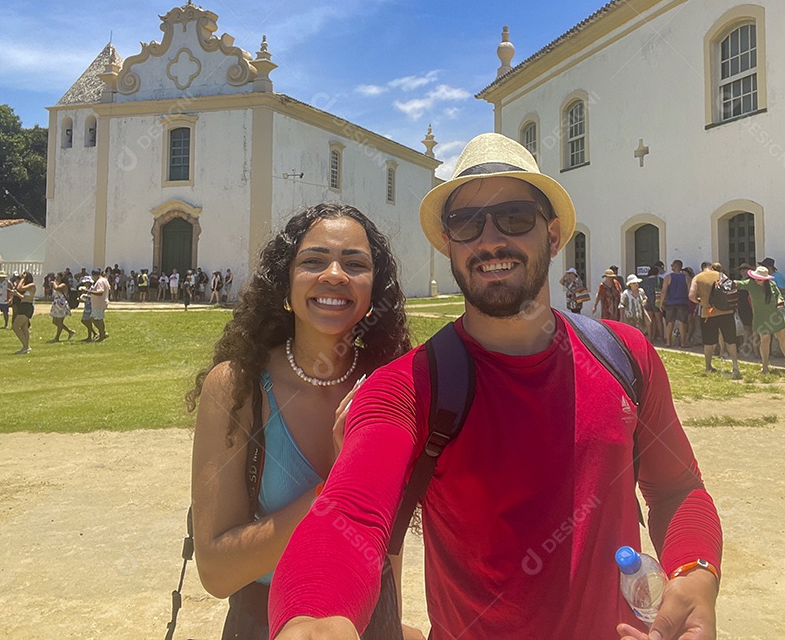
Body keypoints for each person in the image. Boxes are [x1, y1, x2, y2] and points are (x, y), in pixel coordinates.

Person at [269, 134, 722, 640]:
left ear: (552, 237)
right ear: (448, 244)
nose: (489, 240)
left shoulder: (626, 356)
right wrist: (313, 620)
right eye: (466, 223)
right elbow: (350, 513)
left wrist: (695, 573)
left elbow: (676, 488)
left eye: (514, 217)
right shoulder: (408, 388)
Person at [187, 203, 423, 640]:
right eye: (313, 261)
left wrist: (394, 622)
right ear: (285, 284)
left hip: (372, 616)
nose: (335, 274)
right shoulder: (239, 388)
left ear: (374, 291)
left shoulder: (392, 385)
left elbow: (387, 543)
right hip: (270, 623)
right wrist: (336, 490)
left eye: (355, 264)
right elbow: (217, 573)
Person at [735, 266, 785, 373]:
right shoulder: (750, 284)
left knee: (783, 339)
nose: (758, 280)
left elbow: (778, 295)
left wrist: (780, 301)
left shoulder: (771, 284)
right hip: (761, 316)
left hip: (775, 316)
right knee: (765, 340)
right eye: (757, 277)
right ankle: (765, 367)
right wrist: (726, 282)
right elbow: (738, 284)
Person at [690, 261, 742, 378]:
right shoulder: (722, 275)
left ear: (702, 268)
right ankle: (735, 366)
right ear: (711, 267)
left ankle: (708, 366)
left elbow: (691, 296)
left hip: (708, 313)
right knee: (731, 340)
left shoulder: (697, 278)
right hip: (726, 312)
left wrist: (701, 302)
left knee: (709, 342)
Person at [660, 259, 689, 348]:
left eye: (672, 265)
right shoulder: (686, 277)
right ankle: (683, 343)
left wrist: (661, 303)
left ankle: (668, 342)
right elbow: (689, 289)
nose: (671, 267)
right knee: (682, 323)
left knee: (670, 322)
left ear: (676, 266)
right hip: (683, 302)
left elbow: (664, 291)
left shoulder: (668, 277)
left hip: (671, 302)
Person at [10, 271, 37, 354]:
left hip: (27, 307)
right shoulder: (27, 287)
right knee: (24, 328)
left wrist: (22, 279)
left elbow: (19, 287)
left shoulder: (32, 285)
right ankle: (26, 346)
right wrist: (16, 294)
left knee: (15, 327)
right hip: (23, 305)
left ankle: (25, 347)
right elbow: (24, 297)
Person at [48, 271, 76, 342]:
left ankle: (57, 338)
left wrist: (54, 283)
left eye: (58, 277)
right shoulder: (58, 284)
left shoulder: (63, 284)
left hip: (61, 304)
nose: (56, 278)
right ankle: (70, 331)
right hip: (56, 304)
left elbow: (57, 288)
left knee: (60, 321)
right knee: (55, 321)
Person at [87, 267, 111, 342]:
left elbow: (100, 292)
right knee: (94, 318)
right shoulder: (105, 280)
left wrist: (88, 291)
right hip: (100, 303)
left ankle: (102, 335)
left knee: (97, 320)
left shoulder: (100, 281)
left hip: (99, 304)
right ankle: (102, 333)